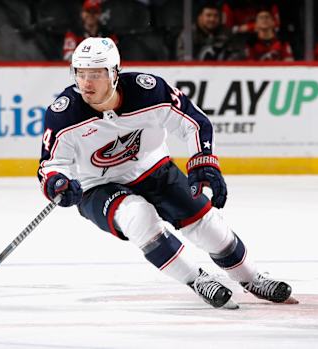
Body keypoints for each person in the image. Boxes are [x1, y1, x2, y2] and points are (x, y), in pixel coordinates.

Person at [37, 37, 296, 309]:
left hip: (154, 169)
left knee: (209, 227)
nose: (86, 83)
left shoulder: (149, 91)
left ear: (114, 73)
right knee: (138, 216)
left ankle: (252, 278)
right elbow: (51, 164)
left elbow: (195, 122)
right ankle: (197, 280)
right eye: (80, 73)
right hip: (97, 186)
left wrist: (203, 160)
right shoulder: (63, 114)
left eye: (96, 74)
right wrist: (57, 182)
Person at [176, 2, 243, 61]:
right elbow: (183, 59)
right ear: (200, 17)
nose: (212, 19)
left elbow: (238, 54)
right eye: (208, 15)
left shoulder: (227, 33)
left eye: (216, 16)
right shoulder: (188, 34)